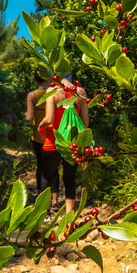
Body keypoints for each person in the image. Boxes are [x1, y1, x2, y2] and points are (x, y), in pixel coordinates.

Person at [37, 73, 89, 214]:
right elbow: (85, 122)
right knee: (70, 180)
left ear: (54, 75)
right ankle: (69, 217)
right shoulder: (81, 92)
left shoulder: (52, 92)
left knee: (46, 176)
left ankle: (45, 214)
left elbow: (49, 119)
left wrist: (40, 126)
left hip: (53, 140)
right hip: (72, 143)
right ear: (70, 75)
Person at [25, 70, 50, 201]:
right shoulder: (55, 93)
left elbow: (29, 117)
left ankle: (41, 196)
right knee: (52, 168)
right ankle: (54, 199)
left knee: (40, 166)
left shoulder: (32, 95)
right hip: (53, 135)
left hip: (38, 137)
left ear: (35, 79)